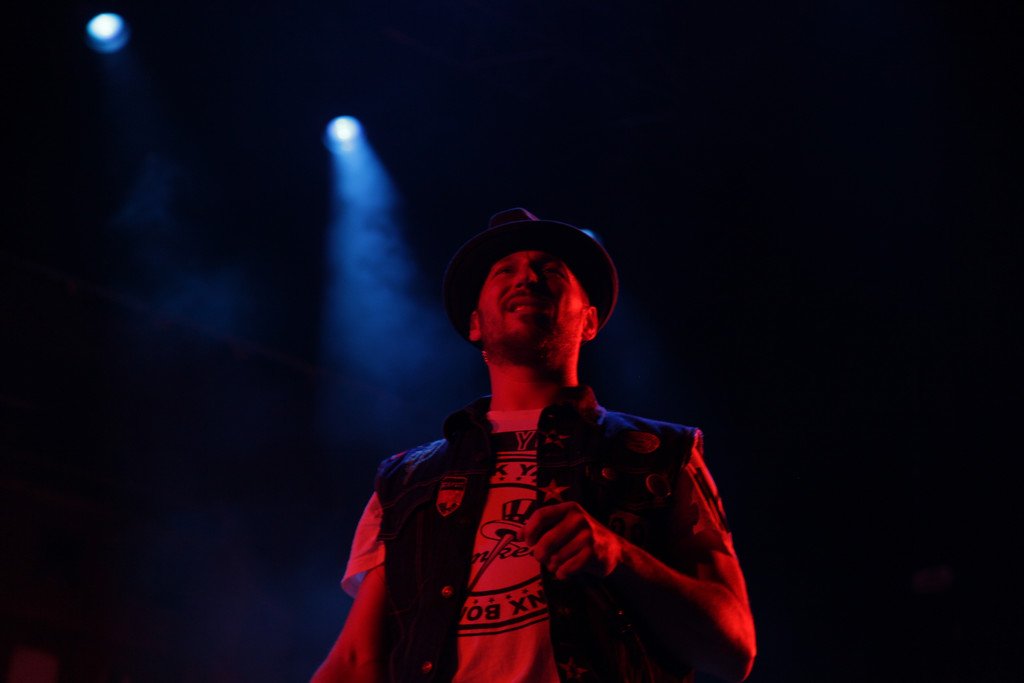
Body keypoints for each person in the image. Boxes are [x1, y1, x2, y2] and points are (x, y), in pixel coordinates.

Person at [312, 208, 756, 683]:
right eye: (504, 270)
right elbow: (356, 661)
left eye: (551, 270)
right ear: (475, 323)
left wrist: (619, 556)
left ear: (589, 321)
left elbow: (734, 651)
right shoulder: (407, 481)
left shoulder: (662, 453)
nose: (526, 277)